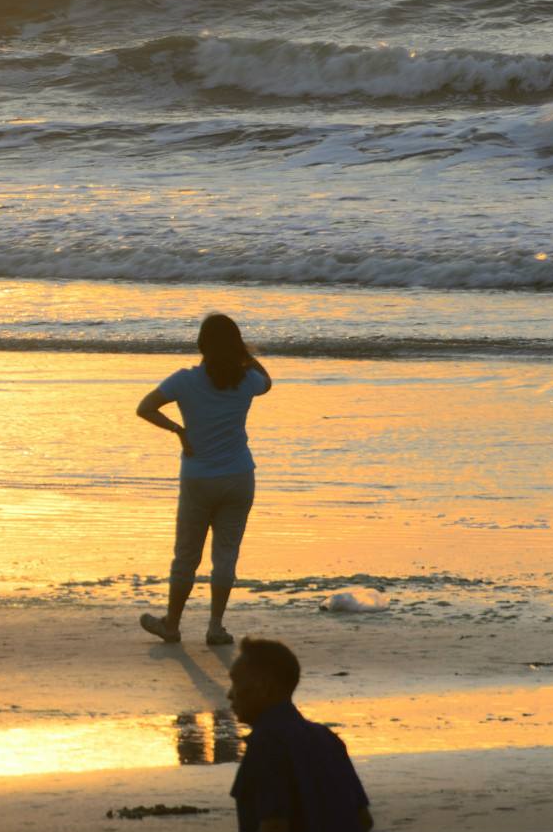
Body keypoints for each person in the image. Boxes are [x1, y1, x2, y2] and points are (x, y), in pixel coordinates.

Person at [136, 312, 271, 645]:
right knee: (226, 554)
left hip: (198, 476)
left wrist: (178, 430)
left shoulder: (184, 381)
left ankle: (172, 624)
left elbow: (145, 407)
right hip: (239, 475)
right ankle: (215, 626)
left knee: (187, 555)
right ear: (237, 347)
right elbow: (267, 380)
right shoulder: (245, 380)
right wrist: (245, 354)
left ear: (201, 345)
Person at [226, 637, 374, 832]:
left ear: (263, 686)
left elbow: (274, 826)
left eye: (236, 682)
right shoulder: (327, 738)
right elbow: (363, 820)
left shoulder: (266, 744)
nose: (230, 694)